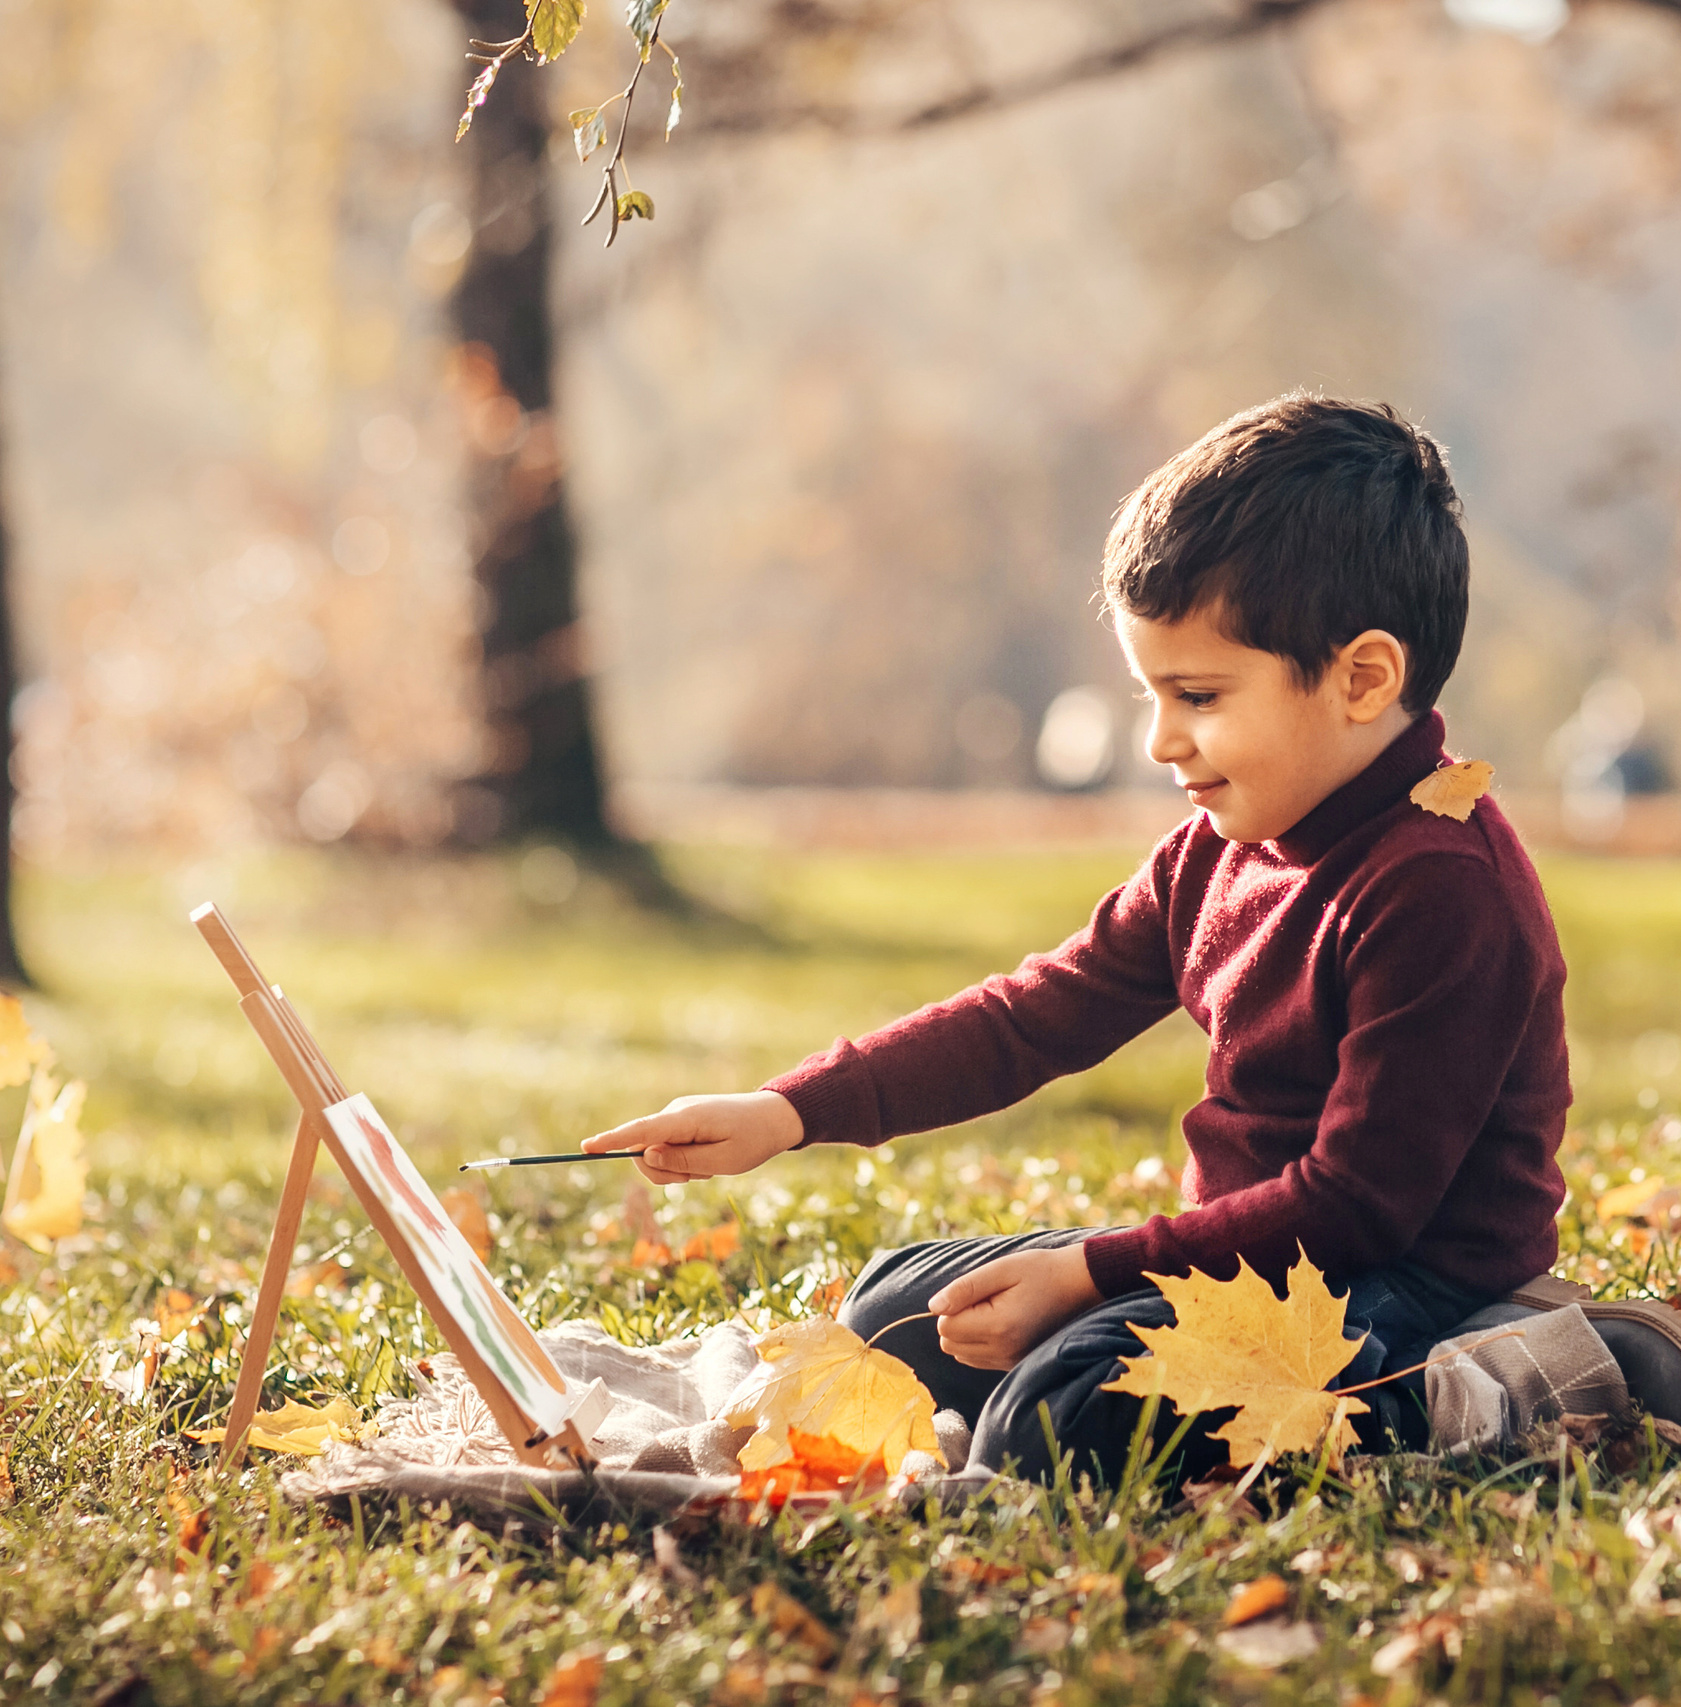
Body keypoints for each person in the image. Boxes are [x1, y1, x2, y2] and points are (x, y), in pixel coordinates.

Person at [585, 394, 1572, 1480]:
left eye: (1197, 695)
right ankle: (1091, 1333)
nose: (1160, 741)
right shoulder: (1223, 847)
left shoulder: (1439, 889)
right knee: (895, 1315)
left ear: (1362, 678)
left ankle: (1515, 1382)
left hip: (1399, 1284)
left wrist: (1093, 1275)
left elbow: (1358, 1207)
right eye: (1151, 692)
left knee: (1044, 1425)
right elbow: (1033, 1016)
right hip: (1241, 1261)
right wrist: (789, 1110)